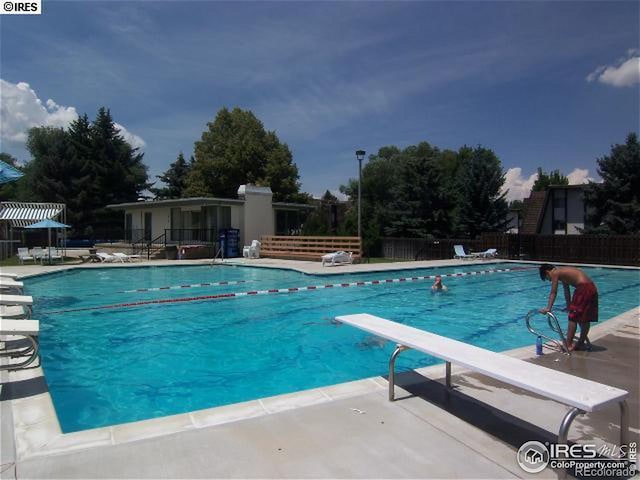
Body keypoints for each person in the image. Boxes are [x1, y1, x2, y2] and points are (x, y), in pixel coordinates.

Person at [539, 263, 598, 352]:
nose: (550, 281)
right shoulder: (562, 272)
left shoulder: (555, 273)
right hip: (591, 287)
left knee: (572, 318)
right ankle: (581, 343)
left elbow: (553, 292)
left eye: (548, 278)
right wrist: (569, 306)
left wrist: (548, 308)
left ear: (547, 272)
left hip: (583, 289)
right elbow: (566, 291)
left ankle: (568, 345)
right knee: (585, 318)